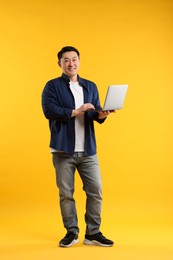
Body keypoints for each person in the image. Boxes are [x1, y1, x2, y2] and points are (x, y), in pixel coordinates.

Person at [41, 46, 114, 247]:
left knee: (96, 190)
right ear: (60, 64)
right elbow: (49, 110)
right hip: (63, 149)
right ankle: (71, 232)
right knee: (66, 193)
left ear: (79, 61)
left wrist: (101, 114)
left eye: (74, 59)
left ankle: (93, 233)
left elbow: (94, 113)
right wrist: (76, 111)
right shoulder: (52, 86)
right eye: (66, 60)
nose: (71, 63)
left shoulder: (90, 86)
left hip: (88, 149)